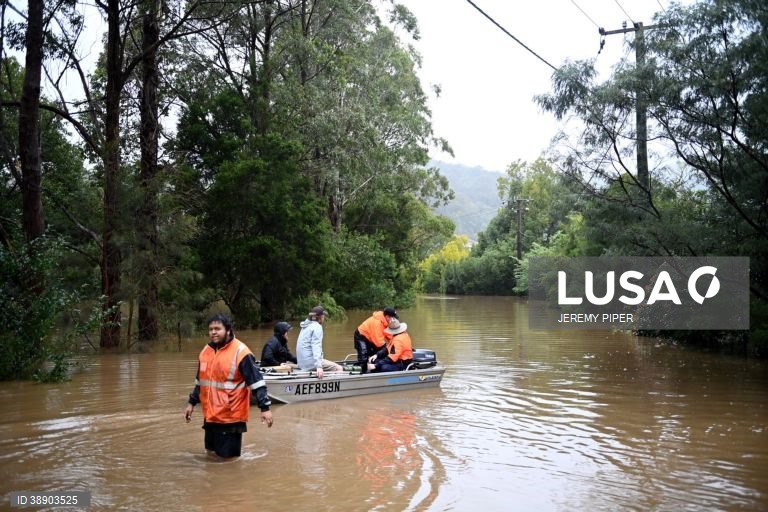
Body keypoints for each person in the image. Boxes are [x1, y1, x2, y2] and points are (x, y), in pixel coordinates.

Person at [183, 313, 273, 458]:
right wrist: (191, 403)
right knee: (210, 456)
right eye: (211, 329)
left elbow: (257, 382)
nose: (213, 332)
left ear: (228, 330)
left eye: (217, 329)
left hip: (231, 418)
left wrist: (265, 408)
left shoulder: (241, 352)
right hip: (210, 416)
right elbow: (200, 382)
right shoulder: (205, 352)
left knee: (228, 463)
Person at [296, 306, 342, 378]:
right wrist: (319, 366)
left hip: (301, 363)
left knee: (326, 362)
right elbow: (316, 346)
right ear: (319, 317)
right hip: (311, 363)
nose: (324, 318)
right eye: (323, 316)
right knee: (338, 368)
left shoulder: (305, 326)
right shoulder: (317, 327)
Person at [353, 307, 398, 374]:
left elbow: (388, 334)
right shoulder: (377, 323)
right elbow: (379, 343)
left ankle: (375, 369)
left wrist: (396, 343)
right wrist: (388, 350)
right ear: (387, 316)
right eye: (393, 317)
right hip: (361, 336)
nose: (394, 320)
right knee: (364, 357)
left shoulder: (386, 321)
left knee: (377, 354)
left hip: (372, 338)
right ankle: (361, 373)